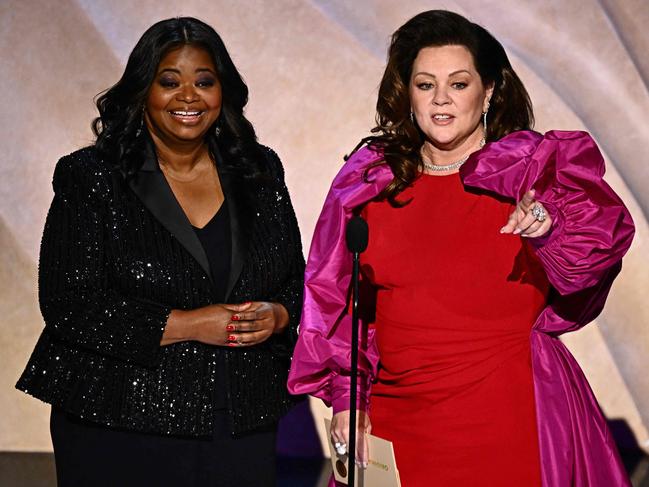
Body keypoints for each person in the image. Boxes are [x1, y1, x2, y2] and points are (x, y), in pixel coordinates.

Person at [288, 10, 634, 487]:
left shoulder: (533, 170)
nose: (442, 100)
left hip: (509, 418)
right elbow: (337, 304)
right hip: (396, 425)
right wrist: (349, 400)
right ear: (406, 93)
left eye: (459, 83)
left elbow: (595, 257)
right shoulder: (369, 182)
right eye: (426, 85)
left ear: (488, 90)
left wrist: (550, 230)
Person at [16, 17, 304, 487]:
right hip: (116, 420)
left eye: (204, 82)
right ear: (142, 91)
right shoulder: (91, 175)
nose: (188, 96)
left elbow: (296, 279)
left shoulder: (259, 169)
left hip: (238, 419)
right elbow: (69, 304)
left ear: (222, 92)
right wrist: (191, 324)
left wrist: (278, 315)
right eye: (169, 81)